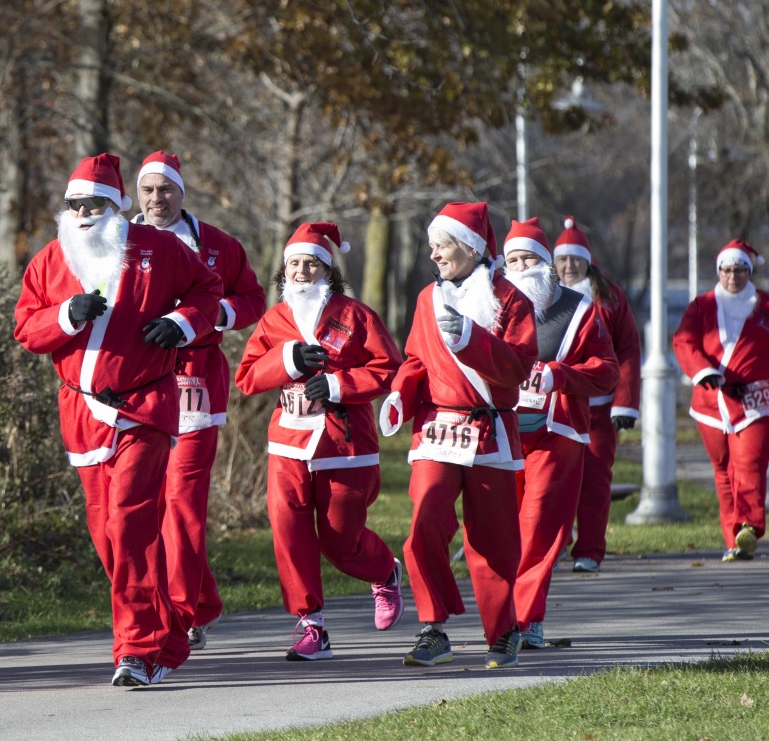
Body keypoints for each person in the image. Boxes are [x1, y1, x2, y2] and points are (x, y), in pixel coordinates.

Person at [14, 153, 222, 686]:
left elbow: (207, 290)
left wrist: (180, 323)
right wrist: (65, 316)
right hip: (80, 410)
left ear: (118, 207)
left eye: (96, 204)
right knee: (106, 534)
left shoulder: (158, 247)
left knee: (130, 525)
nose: (84, 213)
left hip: (143, 405)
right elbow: (26, 329)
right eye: (75, 204)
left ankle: (137, 652)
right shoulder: (49, 260)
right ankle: (168, 625)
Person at [234, 222, 405, 661]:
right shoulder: (275, 320)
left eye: (311, 263)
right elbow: (248, 377)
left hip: (344, 445)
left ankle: (384, 572)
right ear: (283, 272)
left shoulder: (355, 315)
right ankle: (310, 625)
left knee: (340, 540)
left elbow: (389, 369)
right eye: (294, 264)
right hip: (288, 443)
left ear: (327, 271)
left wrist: (336, 385)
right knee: (289, 532)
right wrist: (286, 360)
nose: (302, 271)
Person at [380, 201, 536, 670]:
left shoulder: (510, 299)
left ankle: (504, 631)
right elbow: (415, 360)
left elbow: (518, 367)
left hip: (491, 429)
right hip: (437, 428)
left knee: (493, 540)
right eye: (432, 247)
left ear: (470, 248)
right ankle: (433, 627)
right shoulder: (428, 299)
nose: (435, 256)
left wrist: (471, 337)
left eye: (442, 246)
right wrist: (398, 397)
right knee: (424, 523)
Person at [132, 151, 266, 650]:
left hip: (195, 380)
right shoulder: (120, 242)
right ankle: (192, 602)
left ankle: (186, 610)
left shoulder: (217, 246)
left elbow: (252, 299)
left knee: (183, 499)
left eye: (165, 190)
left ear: (181, 193)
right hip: (135, 382)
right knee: (142, 501)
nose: (156, 200)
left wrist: (210, 318)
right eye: (147, 190)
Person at [503, 217, 618, 649]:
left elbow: (607, 371)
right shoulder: (490, 305)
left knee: (539, 525)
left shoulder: (581, 309)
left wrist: (560, 376)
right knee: (502, 528)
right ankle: (504, 615)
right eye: (512, 260)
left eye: (528, 258)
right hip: (501, 431)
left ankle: (527, 618)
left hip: (557, 432)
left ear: (546, 263)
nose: (520, 267)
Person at [673, 241, 769, 561]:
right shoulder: (701, 307)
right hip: (711, 403)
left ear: (749, 272)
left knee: (748, 463)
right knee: (723, 469)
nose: (733, 276)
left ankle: (748, 525)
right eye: (727, 270)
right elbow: (683, 341)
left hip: (759, 401)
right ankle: (733, 539)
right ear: (718, 272)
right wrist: (702, 370)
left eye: (739, 270)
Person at [552, 217, 642, 574]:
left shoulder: (610, 297)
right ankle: (553, 543)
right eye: (563, 259)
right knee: (552, 481)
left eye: (576, 258)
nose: (570, 266)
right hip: (555, 408)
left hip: (600, 410)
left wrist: (626, 401)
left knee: (594, 481)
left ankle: (589, 549)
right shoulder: (544, 293)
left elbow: (629, 349)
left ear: (587, 260)